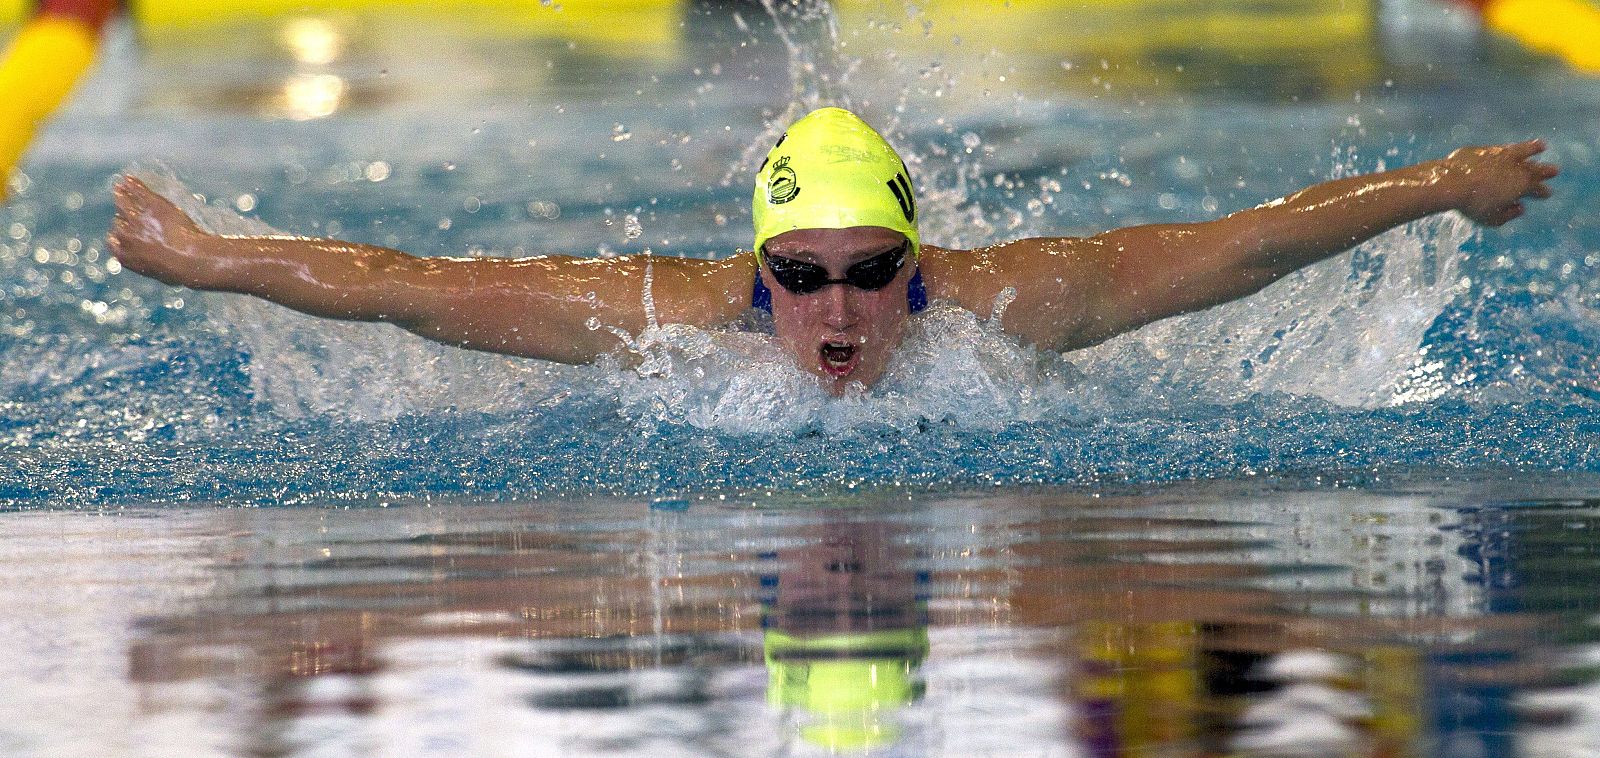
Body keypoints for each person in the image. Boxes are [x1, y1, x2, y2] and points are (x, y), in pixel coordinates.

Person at [108, 107, 1559, 395]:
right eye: (800, 275)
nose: (843, 303)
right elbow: (401, 289)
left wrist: (1445, 183)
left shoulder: (1012, 307)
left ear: (923, 268)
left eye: (876, 267)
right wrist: (208, 255)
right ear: (758, 280)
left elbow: (1247, 248)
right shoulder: (669, 323)